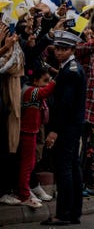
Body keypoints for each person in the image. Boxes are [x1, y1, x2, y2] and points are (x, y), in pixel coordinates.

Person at [41, 30, 86, 226]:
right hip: (72, 126)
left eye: (63, 49)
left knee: (64, 169)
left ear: (72, 49)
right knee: (73, 168)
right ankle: (74, 212)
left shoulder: (71, 71)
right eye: (57, 48)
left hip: (67, 127)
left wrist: (54, 130)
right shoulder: (71, 68)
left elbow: (65, 105)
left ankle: (64, 213)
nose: (59, 52)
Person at [18, 68, 56, 209]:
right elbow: (46, 91)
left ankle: (25, 191)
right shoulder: (30, 91)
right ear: (34, 80)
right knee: (27, 165)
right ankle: (24, 195)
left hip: (32, 131)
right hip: (26, 132)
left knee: (31, 163)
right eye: (44, 81)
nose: (46, 84)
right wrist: (56, 80)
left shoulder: (32, 91)